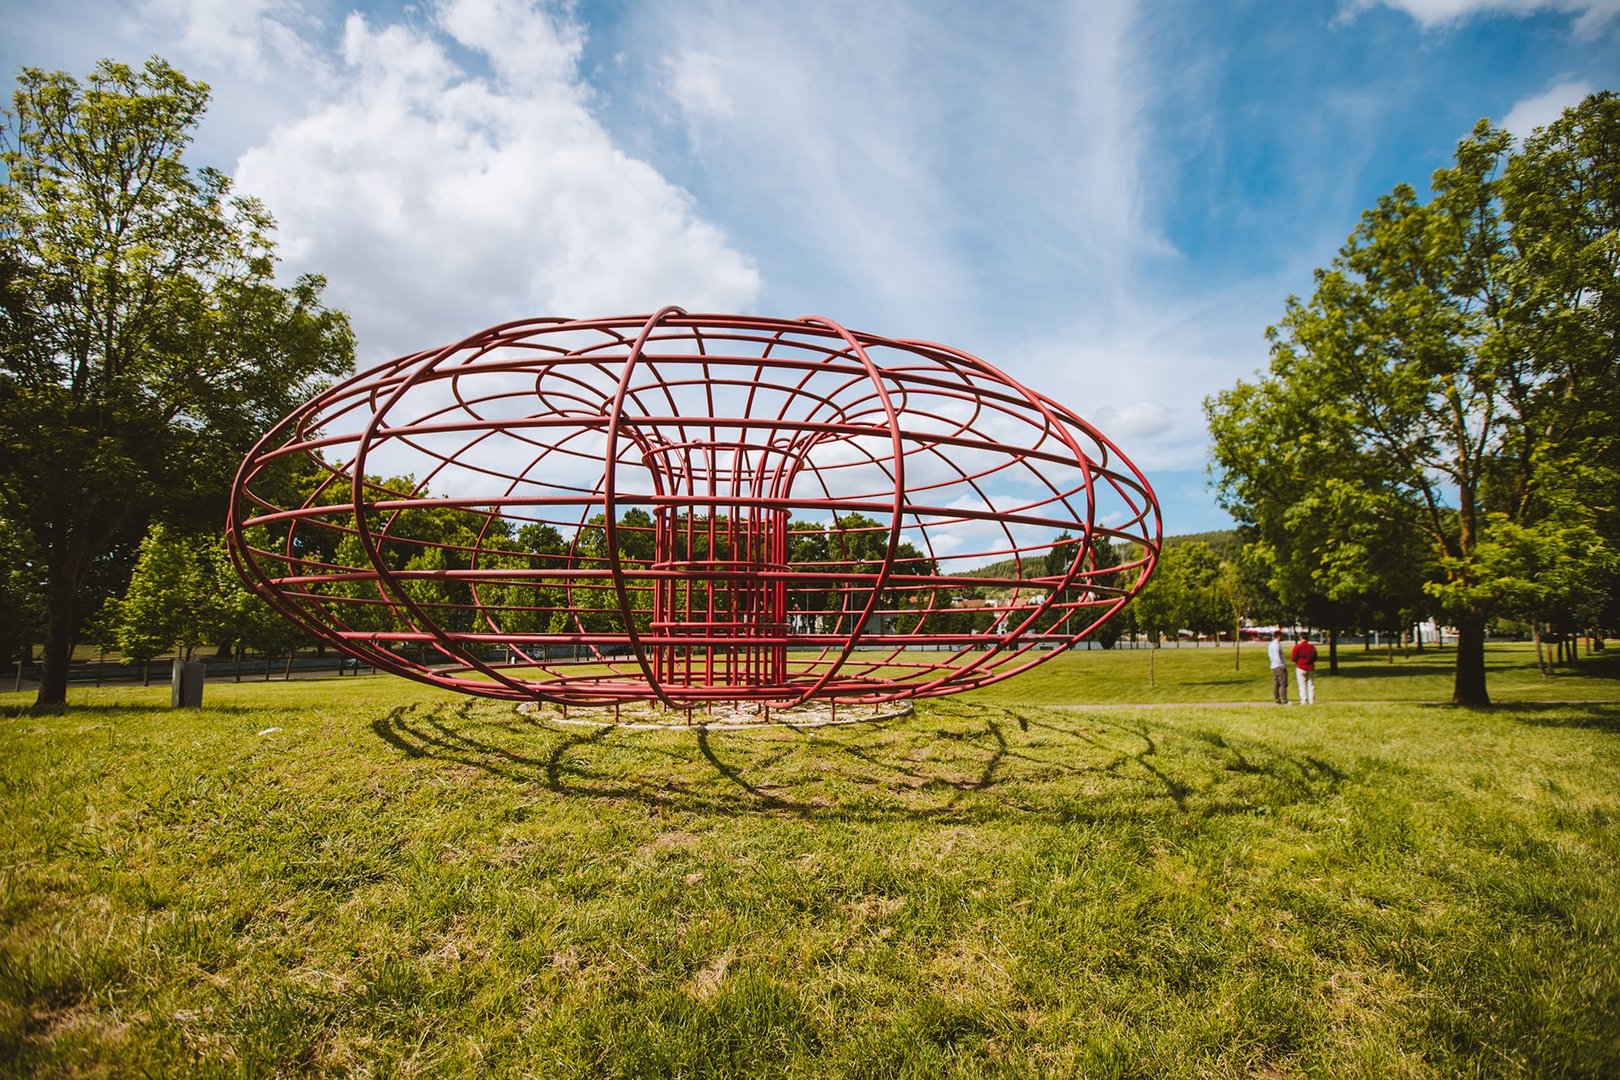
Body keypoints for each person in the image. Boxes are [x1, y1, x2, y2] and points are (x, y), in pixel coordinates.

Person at [1291, 631, 1318, 705]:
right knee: (1311, 684)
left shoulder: (1297, 647)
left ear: (1301, 638)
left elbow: (1293, 658)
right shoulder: (1312, 647)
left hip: (1301, 666)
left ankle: (1304, 701)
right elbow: (1315, 658)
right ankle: (1312, 701)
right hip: (1310, 666)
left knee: (1302, 685)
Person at [1267, 629, 1289, 704]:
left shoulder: (1271, 644)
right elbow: (1277, 656)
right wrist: (1282, 665)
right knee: (1283, 683)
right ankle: (1284, 699)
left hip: (1273, 665)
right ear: (1279, 636)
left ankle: (1277, 699)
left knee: (1276, 683)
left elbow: (1271, 656)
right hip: (1279, 665)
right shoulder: (1276, 645)